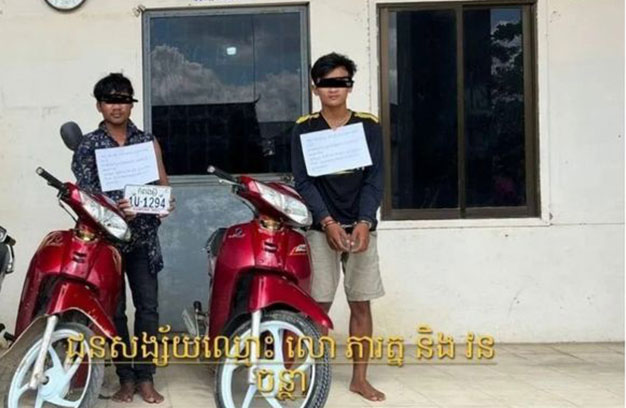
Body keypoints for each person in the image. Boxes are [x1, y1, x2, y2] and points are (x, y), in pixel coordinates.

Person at [71, 73, 173, 404]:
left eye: (123, 100)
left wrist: (163, 202)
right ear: (99, 106)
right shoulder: (88, 145)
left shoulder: (146, 142)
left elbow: (161, 184)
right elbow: (86, 193)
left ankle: (145, 377)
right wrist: (116, 208)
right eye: (110, 100)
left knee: (148, 309)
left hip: (143, 238)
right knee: (114, 313)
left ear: (131, 104)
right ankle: (125, 377)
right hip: (107, 243)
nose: (117, 106)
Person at [290, 53, 385, 402]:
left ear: (350, 87)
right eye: (326, 82)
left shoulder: (368, 126)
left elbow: (375, 178)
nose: (334, 89)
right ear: (315, 88)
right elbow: (304, 181)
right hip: (320, 229)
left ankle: (360, 379)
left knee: (361, 303)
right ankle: (308, 374)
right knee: (318, 306)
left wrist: (364, 222)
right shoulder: (304, 128)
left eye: (341, 82)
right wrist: (327, 222)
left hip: (361, 227)